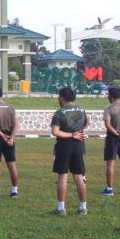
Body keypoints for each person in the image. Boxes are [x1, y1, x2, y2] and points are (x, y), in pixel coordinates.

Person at [50, 87, 88, 215]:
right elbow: (85, 124)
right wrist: (76, 132)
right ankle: (83, 208)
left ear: (61, 97)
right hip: (78, 145)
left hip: (64, 145)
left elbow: (55, 132)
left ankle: (61, 208)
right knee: (79, 176)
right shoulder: (82, 110)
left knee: (62, 176)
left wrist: (71, 134)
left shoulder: (60, 112)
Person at [100, 87, 120, 196]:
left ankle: (109, 189)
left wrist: (116, 133)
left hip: (112, 137)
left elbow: (108, 125)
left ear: (110, 96)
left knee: (111, 163)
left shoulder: (108, 108)